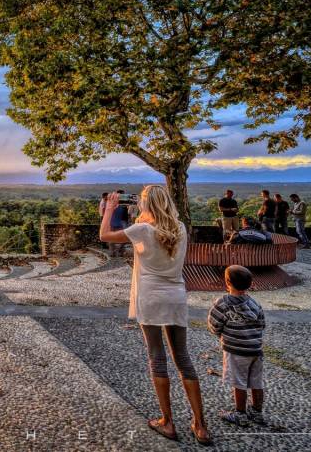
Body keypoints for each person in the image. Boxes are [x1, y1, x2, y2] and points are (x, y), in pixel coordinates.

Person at [100, 187, 211, 444]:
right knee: (183, 358)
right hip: (175, 295)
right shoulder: (179, 228)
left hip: (150, 296)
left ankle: (167, 422)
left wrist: (109, 210)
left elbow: (105, 235)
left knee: (157, 357)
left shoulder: (143, 231)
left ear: (147, 203)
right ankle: (200, 425)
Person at [208, 265, 267, 427]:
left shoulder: (222, 304)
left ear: (227, 282)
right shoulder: (254, 303)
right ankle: (257, 412)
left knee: (239, 382)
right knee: (256, 381)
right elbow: (262, 324)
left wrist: (221, 334)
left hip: (236, 350)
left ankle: (240, 413)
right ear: (249, 283)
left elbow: (214, 324)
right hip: (256, 349)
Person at [108, 189, 130, 258]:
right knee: (123, 238)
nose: (123, 196)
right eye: (122, 195)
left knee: (123, 238)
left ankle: (116, 251)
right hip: (119, 222)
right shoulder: (114, 204)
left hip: (118, 221)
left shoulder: (123, 203)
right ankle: (115, 252)